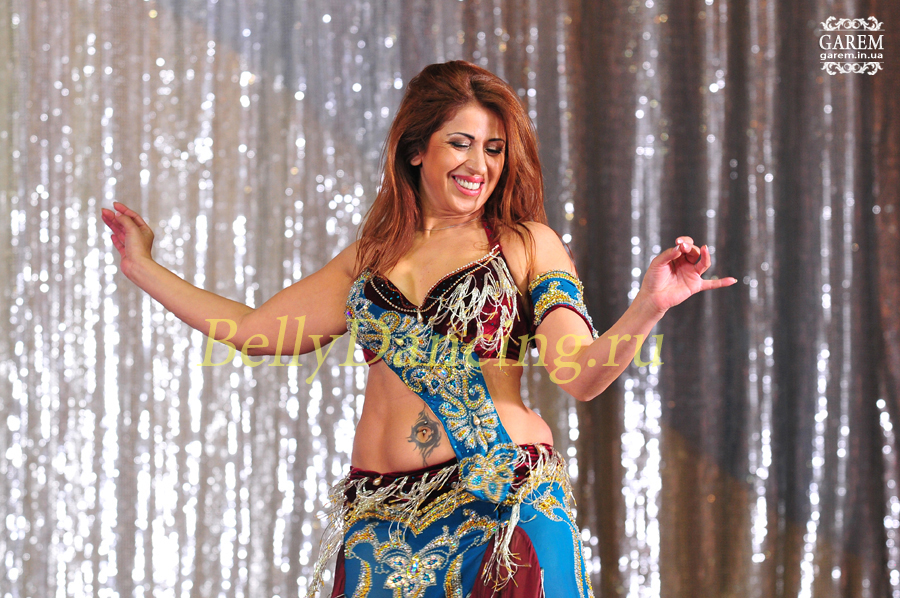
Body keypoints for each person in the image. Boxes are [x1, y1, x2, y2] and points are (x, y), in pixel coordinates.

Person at [102, 60, 736, 598]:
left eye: (493, 149)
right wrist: (143, 268)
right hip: (380, 525)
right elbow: (254, 331)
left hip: (499, 512)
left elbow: (580, 374)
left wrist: (649, 304)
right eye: (461, 143)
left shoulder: (525, 243)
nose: (479, 164)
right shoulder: (368, 257)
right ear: (416, 148)